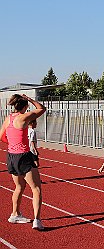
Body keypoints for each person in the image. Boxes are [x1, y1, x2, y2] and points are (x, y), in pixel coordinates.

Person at [0, 94, 46, 230]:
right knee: (36, 188)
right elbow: (42, 109)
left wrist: (13, 143)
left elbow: (1, 136)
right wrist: (31, 100)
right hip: (23, 156)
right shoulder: (23, 117)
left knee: (19, 187)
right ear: (25, 107)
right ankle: (37, 220)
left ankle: (15, 214)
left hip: (11, 156)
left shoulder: (8, 118)